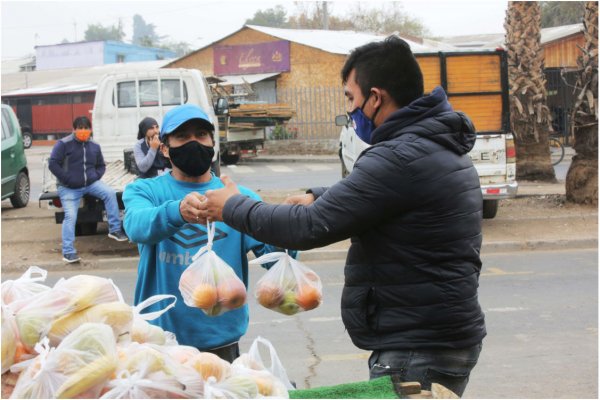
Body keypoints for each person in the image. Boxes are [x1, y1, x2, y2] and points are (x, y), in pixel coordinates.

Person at [199, 36, 486, 396]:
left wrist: (231, 206)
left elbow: (308, 228)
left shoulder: (398, 157)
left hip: (418, 346)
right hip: (439, 335)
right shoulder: (433, 145)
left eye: (351, 98)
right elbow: (384, 198)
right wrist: (317, 197)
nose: (349, 110)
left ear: (376, 97)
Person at [122, 104, 296, 362]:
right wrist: (177, 212)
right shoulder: (146, 191)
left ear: (213, 143)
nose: (194, 142)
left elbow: (276, 259)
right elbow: (136, 226)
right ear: (166, 148)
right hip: (157, 344)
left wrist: (287, 226)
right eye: (182, 136)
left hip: (220, 345)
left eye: (201, 135)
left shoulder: (239, 197)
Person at [48, 116, 128, 264]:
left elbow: (101, 166)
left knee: (110, 193)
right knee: (71, 216)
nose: (83, 131)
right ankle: (68, 252)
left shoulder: (94, 146)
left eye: (86, 128)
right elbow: (53, 164)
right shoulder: (63, 144)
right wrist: (67, 179)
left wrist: (95, 176)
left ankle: (115, 229)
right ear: (74, 129)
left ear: (90, 130)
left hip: (90, 184)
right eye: (80, 128)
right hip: (69, 188)